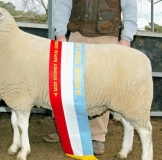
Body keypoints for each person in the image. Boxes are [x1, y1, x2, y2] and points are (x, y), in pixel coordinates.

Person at [43, 0, 138, 155]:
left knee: (102, 88)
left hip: (107, 39)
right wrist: (60, 33)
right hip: (77, 36)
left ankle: (97, 137)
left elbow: (130, 8)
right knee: (69, 85)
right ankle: (66, 131)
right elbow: (63, 4)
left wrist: (126, 38)